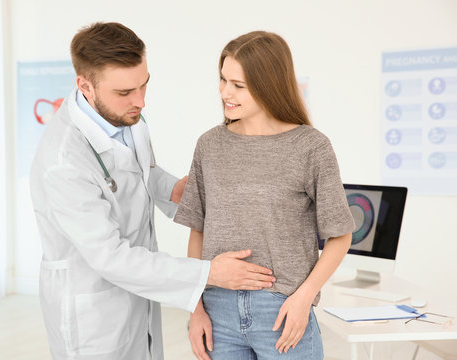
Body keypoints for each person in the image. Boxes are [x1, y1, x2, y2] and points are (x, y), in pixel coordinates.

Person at [29, 22, 276, 360]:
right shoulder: (63, 163)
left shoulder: (126, 116)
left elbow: (139, 170)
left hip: (136, 292)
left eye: (144, 85)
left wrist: (174, 189)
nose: (141, 101)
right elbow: (110, 257)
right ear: (85, 85)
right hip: (92, 310)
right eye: (125, 92)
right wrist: (208, 273)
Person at [174, 31, 356, 360]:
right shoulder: (209, 145)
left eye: (238, 85)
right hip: (217, 314)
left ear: (268, 85)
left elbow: (340, 235)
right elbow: (197, 231)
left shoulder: (311, 147)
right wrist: (195, 310)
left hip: (283, 313)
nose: (225, 92)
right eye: (223, 79)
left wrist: (305, 298)